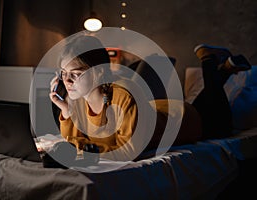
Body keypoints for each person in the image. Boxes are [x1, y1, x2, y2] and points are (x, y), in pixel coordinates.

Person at [49, 35, 251, 161]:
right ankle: (225, 69)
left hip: (184, 121)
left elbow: (128, 151)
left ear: (100, 73)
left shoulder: (125, 93)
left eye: (75, 74)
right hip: (161, 110)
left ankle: (209, 60)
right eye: (63, 73)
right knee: (209, 103)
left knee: (222, 125)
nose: (66, 81)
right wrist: (65, 110)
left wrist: (84, 151)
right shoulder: (78, 99)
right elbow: (74, 143)